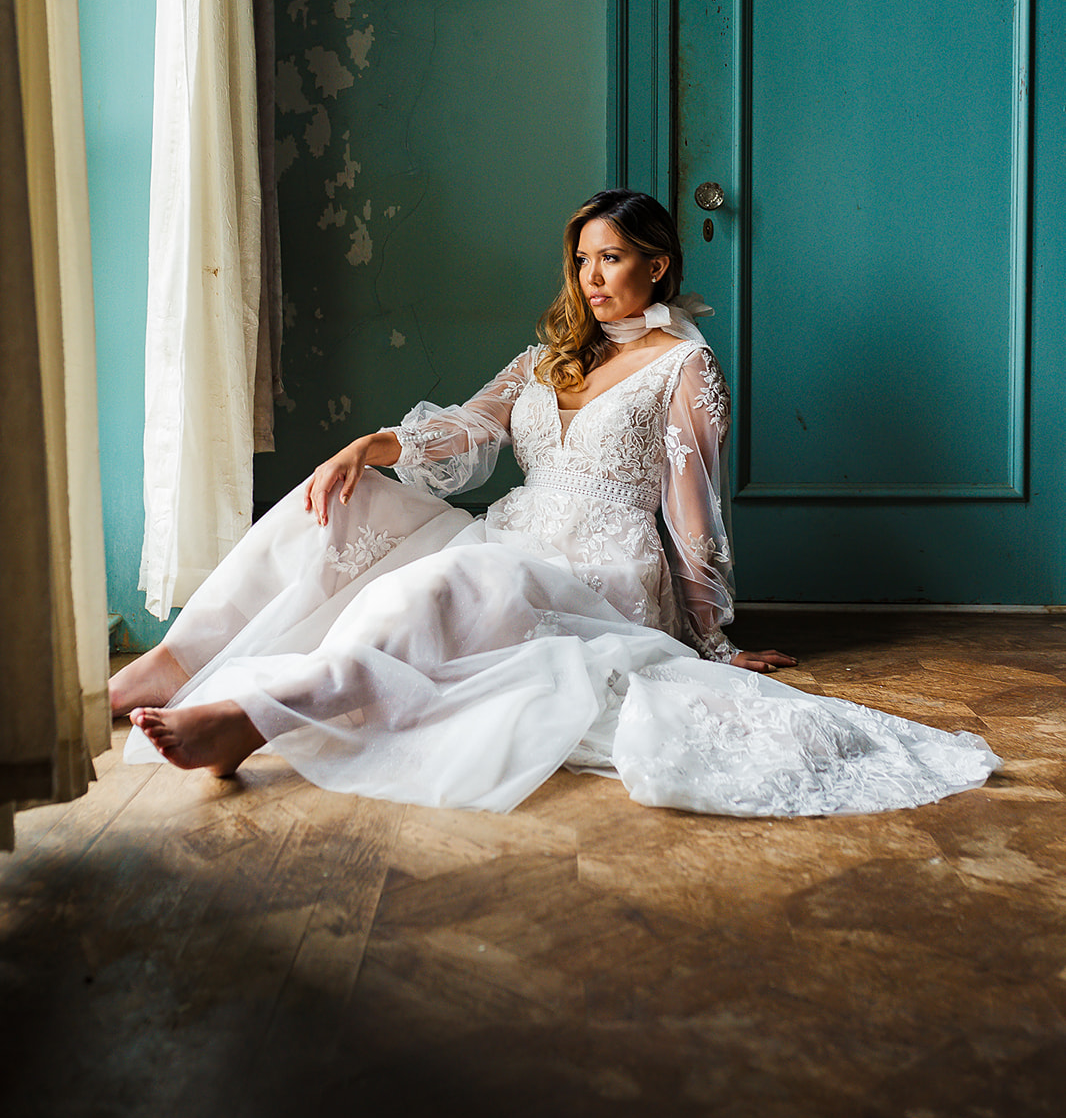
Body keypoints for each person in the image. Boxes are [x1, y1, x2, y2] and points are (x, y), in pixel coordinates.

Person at [114, 190, 999, 817]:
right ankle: (172, 659)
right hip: (512, 529)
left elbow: (697, 514)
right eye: (582, 260)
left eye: (611, 258)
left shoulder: (685, 367)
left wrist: (713, 637)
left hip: (600, 568)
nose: (591, 277)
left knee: (436, 591)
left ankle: (251, 718)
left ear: (658, 263)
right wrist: (370, 447)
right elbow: (471, 426)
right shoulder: (550, 356)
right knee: (339, 505)